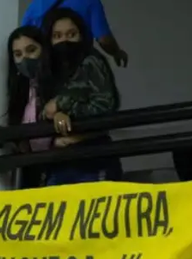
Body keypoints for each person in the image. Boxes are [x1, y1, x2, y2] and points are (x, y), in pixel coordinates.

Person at [40, 7, 121, 185]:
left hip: (94, 159)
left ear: (82, 36)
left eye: (71, 34)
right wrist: (57, 114)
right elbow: (44, 111)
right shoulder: (48, 69)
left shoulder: (91, 61)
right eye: (58, 36)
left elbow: (106, 105)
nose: (65, 41)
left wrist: (62, 105)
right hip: (58, 162)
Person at [6, 26, 52, 188]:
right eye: (18, 55)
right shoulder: (21, 91)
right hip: (33, 172)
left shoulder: (60, 83)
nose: (25, 58)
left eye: (31, 50)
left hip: (64, 168)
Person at [21, 0, 128, 67]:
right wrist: (116, 52)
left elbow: (25, 39)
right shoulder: (90, 2)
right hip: (80, 65)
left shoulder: (35, 5)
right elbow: (104, 40)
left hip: (49, 67)